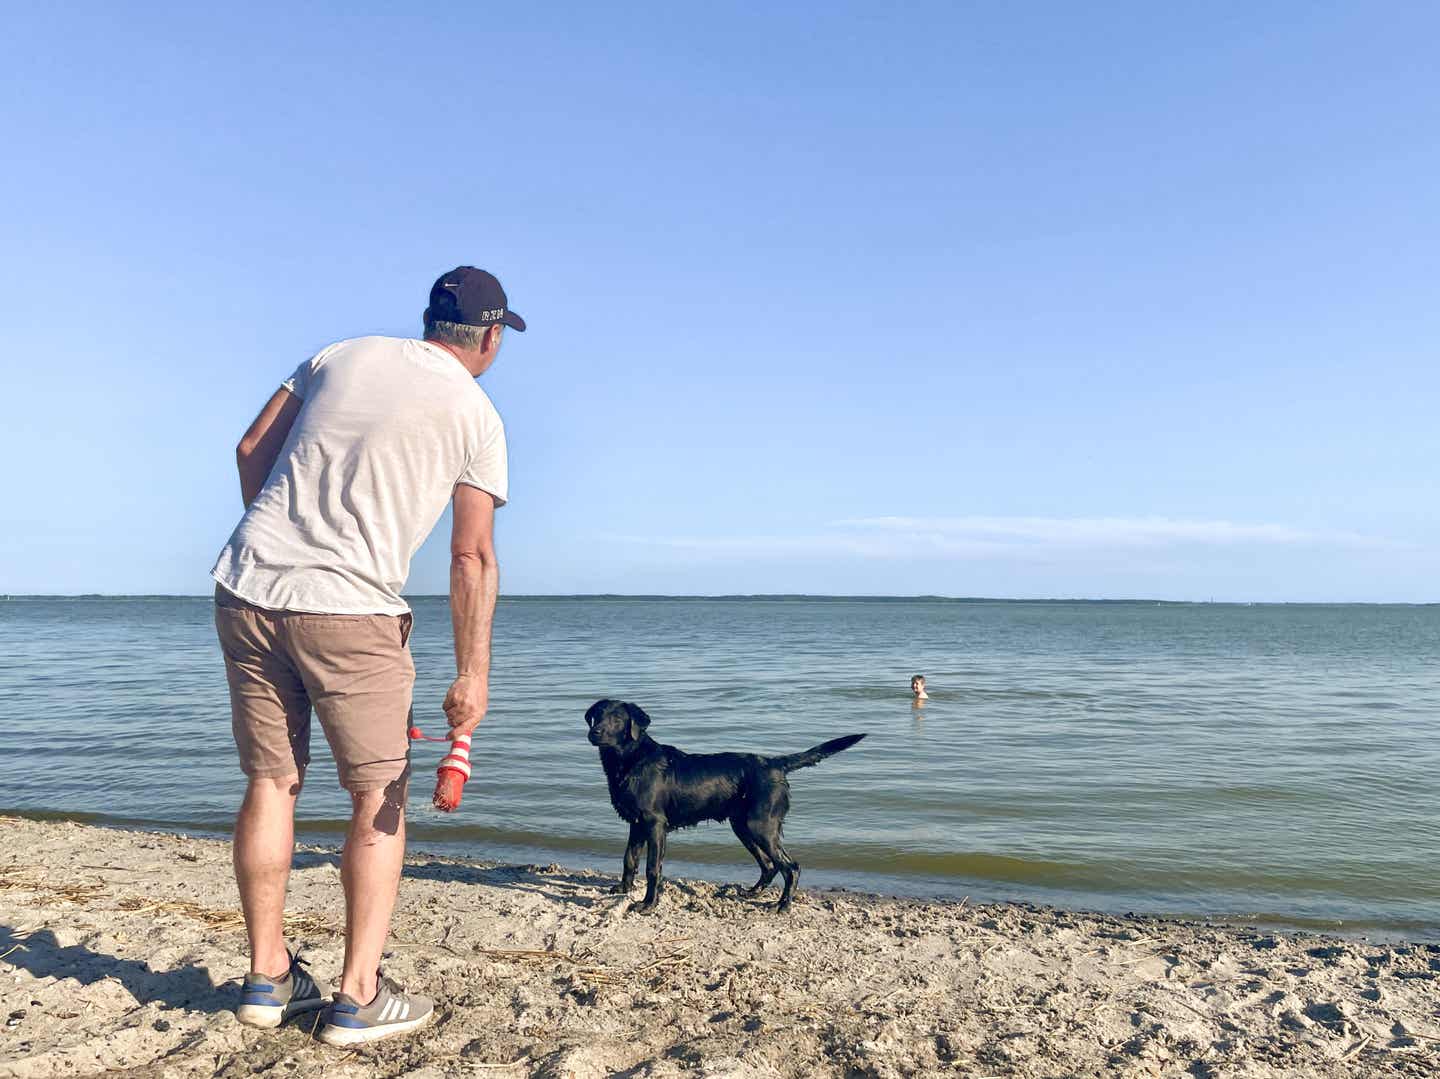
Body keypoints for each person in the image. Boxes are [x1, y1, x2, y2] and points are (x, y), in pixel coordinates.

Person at [210, 267, 522, 1045]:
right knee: (377, 797)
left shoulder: (338, 355)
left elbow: (252, 448)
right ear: (489, 338)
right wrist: (473, 672)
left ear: (428, 321)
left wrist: (288, 539)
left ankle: (266, 975)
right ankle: (357, 993)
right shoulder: (475, 412)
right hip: (353, 608)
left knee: (272, 780)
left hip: (249, 584)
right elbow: (471, 557)